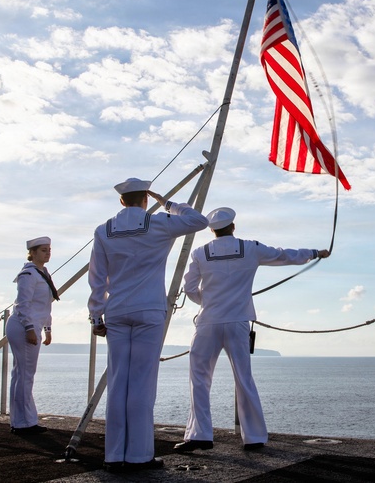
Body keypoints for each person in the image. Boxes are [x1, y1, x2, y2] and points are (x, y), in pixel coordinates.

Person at [175, 207, 329, 452]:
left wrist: (207, 301)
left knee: (200, 379)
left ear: (212, 230)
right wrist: (314, 253)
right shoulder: (250, 248)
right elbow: (283, 255)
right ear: (233, 227)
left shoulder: (200, 253)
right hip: (237, 322)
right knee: (243, 378)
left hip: (208, 322)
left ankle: (200, 435)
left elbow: (189, 287)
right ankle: (254, 437)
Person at [88, 178, 209, 471]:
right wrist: (167, 201)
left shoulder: (104, 230)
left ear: (121, 201)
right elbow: (199, 221)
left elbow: (97, 278)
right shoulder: (159, 224)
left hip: (116, 312)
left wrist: (96, 315)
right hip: (149, 311)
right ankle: (139, 456)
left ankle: (114, 456)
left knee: (118, 382)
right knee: (142, 384)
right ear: (145, 199)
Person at [6, 236, 59, 435]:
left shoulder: (41, 273)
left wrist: (47, 329)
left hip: (31, 325)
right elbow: (23, 304)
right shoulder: (29, 274)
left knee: (21, 373)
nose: (48, 253)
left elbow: (44, 305)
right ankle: (22, 423)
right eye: (43, 250)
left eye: (49, 249)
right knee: (25, 374)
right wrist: (29, 328)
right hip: (22, 326)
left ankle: (22, 420)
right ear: (33, 252)